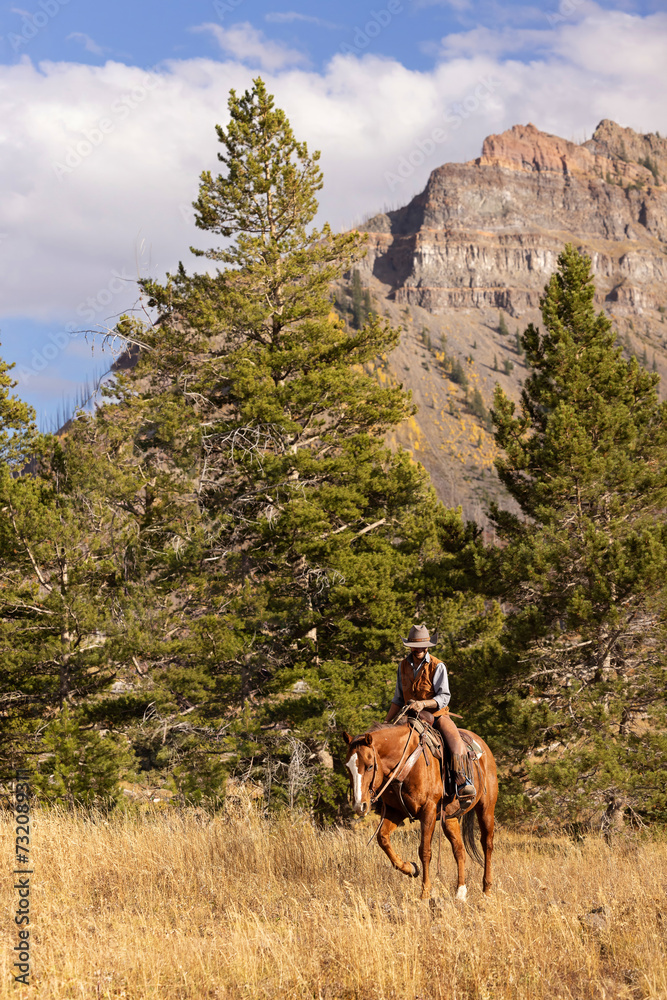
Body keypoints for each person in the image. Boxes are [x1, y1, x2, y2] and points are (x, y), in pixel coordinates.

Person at [384, 623, 475, 801]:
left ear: (427, 646)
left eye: (422, 646)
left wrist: (423, 704)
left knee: (454, 741)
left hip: (437, 714)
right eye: (415, 645)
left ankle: (462, 780)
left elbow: (444, 696)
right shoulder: (402, 666)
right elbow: (397, 699)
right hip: (409, 714)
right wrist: (387, 722)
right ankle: (386, 793)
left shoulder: (437, 666)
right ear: (410, 646)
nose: (418, 649)